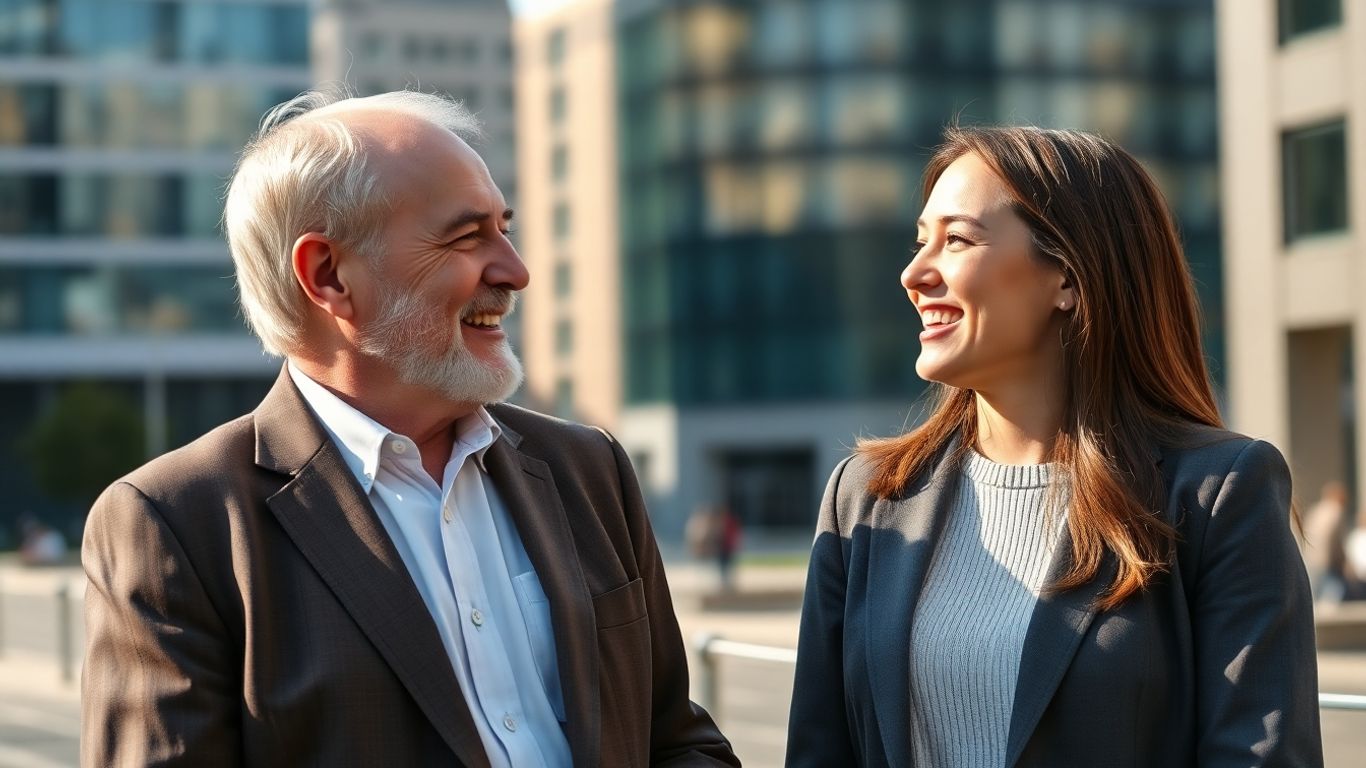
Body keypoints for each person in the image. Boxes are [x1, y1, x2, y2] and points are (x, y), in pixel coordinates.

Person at [81, 90, 737, 768]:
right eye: (466, 236)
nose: (515, 271)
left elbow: (676, 740)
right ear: (329, 275)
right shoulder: (178, 524)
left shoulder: (587, 467)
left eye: (504, 229)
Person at [787, 126, 1321, 767]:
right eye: (919, 240)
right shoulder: (866, 498)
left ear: (1067, 278)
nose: (913, 274)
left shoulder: (1220, 492)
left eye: (955, 240)